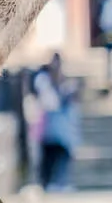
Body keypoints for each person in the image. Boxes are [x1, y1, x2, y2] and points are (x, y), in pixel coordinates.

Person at [31, 52, 82, 193]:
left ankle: (60, 181)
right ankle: (49, 182)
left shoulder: (64, 82)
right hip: (49, 125)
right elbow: (50, 102)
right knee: (49, 155)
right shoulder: (43, 80)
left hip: (62, 126)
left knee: (62, 154)